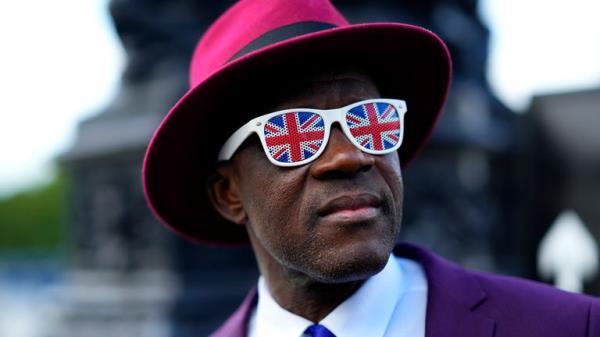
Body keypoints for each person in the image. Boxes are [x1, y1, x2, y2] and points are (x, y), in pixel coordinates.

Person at [142, 0, 600, 336]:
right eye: (295, 133)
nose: (350, 156)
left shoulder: (570, 327)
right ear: (229, 193)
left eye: (371, 121)